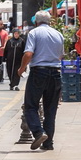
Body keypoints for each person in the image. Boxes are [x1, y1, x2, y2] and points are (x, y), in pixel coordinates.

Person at [17, 10, 64, 150]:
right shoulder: (58, 34)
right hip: (55, 73)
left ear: (36, 22)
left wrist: (21, 69)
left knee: (30, 106)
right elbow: (61, 56)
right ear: (49, 21)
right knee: (50, 110)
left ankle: (38, 132)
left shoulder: (34, 33)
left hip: (39, 72)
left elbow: (29, 53)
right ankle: (48, 143)